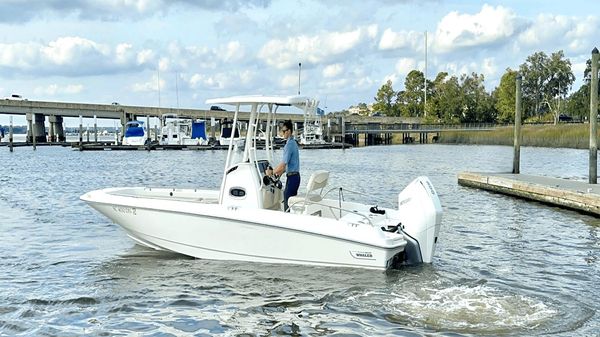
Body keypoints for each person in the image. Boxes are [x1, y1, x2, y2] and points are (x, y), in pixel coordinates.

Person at [268, 120, 300, 211]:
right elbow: (286, 166)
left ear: (289, 131)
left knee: (287, 202)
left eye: (284, 131)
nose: (282, 133)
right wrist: (278, 174)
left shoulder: (289, 145)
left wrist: (271, 172)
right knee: (290, 202)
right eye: (282, 131)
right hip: (295, 177)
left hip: (292, 178)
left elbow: (283, 165)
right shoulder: (294, 143)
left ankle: (288, 221)